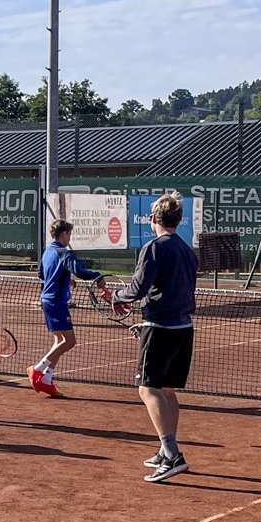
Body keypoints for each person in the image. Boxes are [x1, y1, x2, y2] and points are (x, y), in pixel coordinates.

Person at [117, 192, 198, 482]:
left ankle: (173, 454)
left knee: (147, 389)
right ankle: (166, 452)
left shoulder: (153, 247)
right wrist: (147, 321)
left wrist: (117, 296)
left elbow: (137, 288)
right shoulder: (187, 251)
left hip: (161, 327)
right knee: (166, 390)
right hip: (182, 328)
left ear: (153, 220)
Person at [29, 219, 106, 398]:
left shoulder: (47, 252)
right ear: (63, 234)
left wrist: (65, 277)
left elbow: (42, 274)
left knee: (59, 341)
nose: (69, 237)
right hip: (57, 302)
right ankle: (37, 369)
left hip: (46, 300)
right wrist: (98, 276)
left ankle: (47, 380)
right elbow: (80, 271)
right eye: (69, 234)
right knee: (70, 341)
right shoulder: (65, 253)